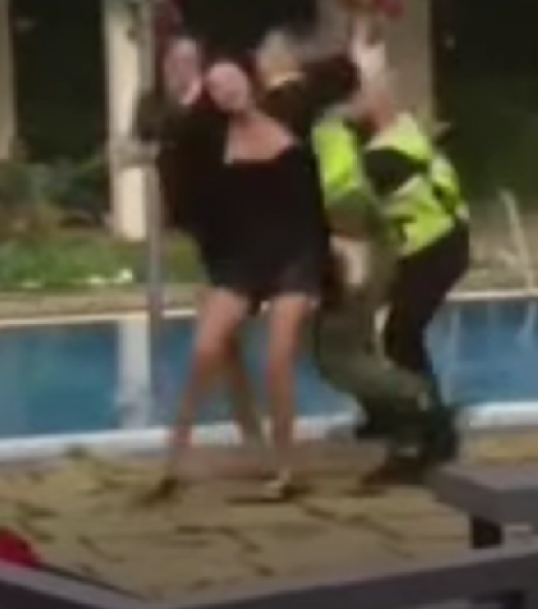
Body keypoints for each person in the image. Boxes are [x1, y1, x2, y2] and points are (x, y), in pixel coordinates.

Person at [255, 32, 449, 483]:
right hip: (359, 243)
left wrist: (346, 254)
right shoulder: (328, 120)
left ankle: (415, 402)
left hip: (355, 245)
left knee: (337, 354)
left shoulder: (319, 125)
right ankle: (401, 419)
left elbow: (342, 197)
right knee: (346, 347)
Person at [159, 56, 331, 500]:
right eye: (217, 86)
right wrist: (214, 273)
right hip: (242, 260)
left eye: (232, 79)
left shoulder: (290, 118)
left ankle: (287, 468)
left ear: (249, 81)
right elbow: (198, 209)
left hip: (295, 255)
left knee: (278, 357)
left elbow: (314, 208)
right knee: (206, 348)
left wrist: (323, 272)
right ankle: (174, 460)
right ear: (212, 98)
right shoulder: (209, 144)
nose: (228, 89)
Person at [135, 38, 268, 495]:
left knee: (219, 343)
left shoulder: (214, 111)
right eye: (173, 61)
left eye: (188, 61)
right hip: (195, 236)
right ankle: (246, 438)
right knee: (223, 347)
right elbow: (147, 142)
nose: (179, 69)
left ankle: (209, 446)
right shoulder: (156, 107)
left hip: (226, 236)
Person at [351, 55, 470, 469]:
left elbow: (344, 202)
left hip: (436, 247)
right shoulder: (403, 132)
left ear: (378, 102)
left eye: (359, 96)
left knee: (401, 335)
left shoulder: (385, 155)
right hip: (436, 244)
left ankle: (435, 432)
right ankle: (400, 418)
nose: (351, 106)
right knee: (382, 330)